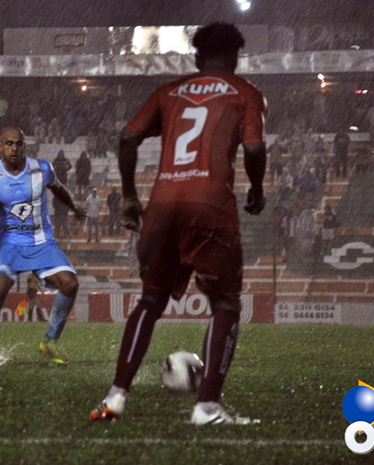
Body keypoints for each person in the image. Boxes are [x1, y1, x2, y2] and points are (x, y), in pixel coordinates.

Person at [89, 22, 267, 425]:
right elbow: (254, 146)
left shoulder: (169, 92)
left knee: (150, 301)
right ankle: (206, 407)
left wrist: (131, 196)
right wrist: (256, 188)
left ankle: (116, 397)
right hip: (210, 207)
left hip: (163, 206)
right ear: (235, 59)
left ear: (197, 58)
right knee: (224, 304)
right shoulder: (245, 93)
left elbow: (127, 138)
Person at [0, 127, 86, 366]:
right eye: (9, 144)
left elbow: (59, 190)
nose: (14, 148)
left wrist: (74, 207)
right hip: (10, 245)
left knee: (70, 283)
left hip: (42, 242)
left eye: (18, 144)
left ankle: (49, 341)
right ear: (0, 146)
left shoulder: (42, 169)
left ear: (24, 145)